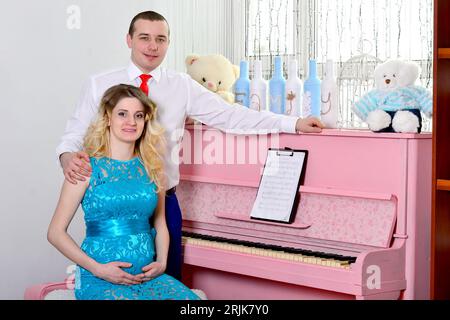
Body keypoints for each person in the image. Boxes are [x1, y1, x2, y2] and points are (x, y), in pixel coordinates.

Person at [56, 11, 324, 281]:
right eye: (144, 38)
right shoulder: (99, 84)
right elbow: (74, 133)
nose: (152, 46)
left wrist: (293, 123)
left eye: (160, 39)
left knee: (168, 281)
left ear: (168, 43)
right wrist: (67, 158)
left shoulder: (182, 85)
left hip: (163, 202)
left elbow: (231, 116)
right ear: (129, 40)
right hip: (116, 210)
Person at [48, 84, 200, 300]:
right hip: (99, 277)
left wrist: (162, 262)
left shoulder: (153, 168)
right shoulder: (85, 167)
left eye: (138, 115)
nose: (131, 122)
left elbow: (160, 225)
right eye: (122, 114)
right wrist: (98, 269)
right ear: (108, 117)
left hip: (147, 276)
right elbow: (55, 233)